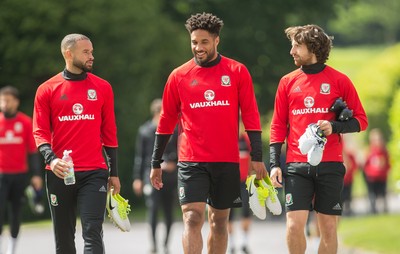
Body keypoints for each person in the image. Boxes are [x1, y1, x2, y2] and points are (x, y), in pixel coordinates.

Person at [150, 12, 267, 254]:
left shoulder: (237, 71)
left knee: (219, 222)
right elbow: (165, 123)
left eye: (204, 42)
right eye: (194, 42)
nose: (198, 47)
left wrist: (257, 158)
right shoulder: (179, 76)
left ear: (216, 40)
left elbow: (252, 117)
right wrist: (156, 161)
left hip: (226, 160)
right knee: (192, 217)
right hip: (192, 161)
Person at [269, 24, 368, 254]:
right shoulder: (287, 82)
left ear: (312, 47)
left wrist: (333, 126)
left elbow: (361, 121)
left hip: (330, 164)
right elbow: (277, 126)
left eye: (296, 46)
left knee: (329, 229)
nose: (291, 52)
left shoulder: (340, 80)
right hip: (296, 165)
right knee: (294, 226)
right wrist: (274, 164)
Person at [32, 34, 121, 254]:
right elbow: (39, 132)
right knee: (63, 237)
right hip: (60, 173)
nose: (92, 56)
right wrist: (51, 161)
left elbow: (109, 133)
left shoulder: (103, 87)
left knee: (92, 231)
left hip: (95, 172)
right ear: (68, 54)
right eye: (86, 52)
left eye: (91, 51)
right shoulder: (46, 89)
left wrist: (114, 173)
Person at [0, 86, 43, 254]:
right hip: (1, 175)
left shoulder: (25, 122)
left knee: (15, 213)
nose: (4, 103)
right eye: (2, 100)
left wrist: (37, 175)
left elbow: (33, 151)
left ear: (16, 102)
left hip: (19, 176)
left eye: (8, 100)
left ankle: (11, 249)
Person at [132, 98, 178, 254]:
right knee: (152, 209)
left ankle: (165, 244)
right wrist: (137, 178)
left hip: (170, 178)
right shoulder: (144, 131)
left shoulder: (174, 130)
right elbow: (140, 156)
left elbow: (179, 152)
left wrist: (173, 162)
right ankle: (153, 245)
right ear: (156, 113)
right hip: (149, 176)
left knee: (169, 212)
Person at [228, 124, 252, 254]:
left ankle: (244, 243)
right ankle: (231, 244)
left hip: (244, 182)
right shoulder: (228, 139)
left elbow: (253, 159)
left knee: (246, 211)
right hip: (230, 182)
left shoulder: (246, 139)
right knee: (229, 214)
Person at [363, 128, 390, 214]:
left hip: (382, 176)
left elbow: (388, 163)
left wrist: (385, 171)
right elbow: (365, 163)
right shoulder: (369, 151)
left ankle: (384, 208)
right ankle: (373, 209)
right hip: (372, 177)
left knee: (383, 193)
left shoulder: (384, 151)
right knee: (372, 194)